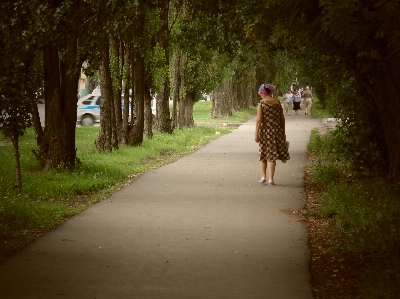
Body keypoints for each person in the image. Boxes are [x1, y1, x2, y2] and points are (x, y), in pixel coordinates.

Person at [255, 83, 290, 185]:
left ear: (263, 93)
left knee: (263, 154)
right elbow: (282, 119)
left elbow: (259, 120)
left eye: (261, 93)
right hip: (276, 131)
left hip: (265, 131)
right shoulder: (277, 102)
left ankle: (263, 177)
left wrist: (256, 134)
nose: (260, 95)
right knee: (272, 155)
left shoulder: (261, 103)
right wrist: (283, 132)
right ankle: (271, 179)